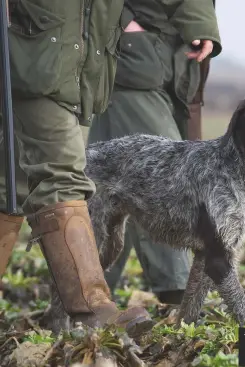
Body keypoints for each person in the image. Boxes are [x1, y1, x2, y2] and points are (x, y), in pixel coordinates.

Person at [0, 0, 153, 335]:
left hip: (87, 68)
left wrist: (197, 26)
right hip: (35, 54)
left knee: (11, 184)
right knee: (63, 176)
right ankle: (93, 308)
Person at [88, 0, 221, 304]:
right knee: (163, 178)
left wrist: (202, 27)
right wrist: (122, 21)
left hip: (168, 59)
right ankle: (173, 294)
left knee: (112, 192)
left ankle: (88, 292)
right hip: (135, 58)